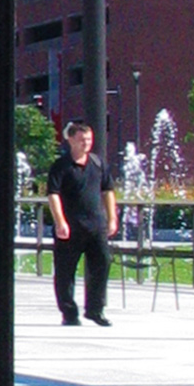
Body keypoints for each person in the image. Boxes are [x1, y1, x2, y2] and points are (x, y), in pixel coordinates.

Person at [46, 120, 117, 328]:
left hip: (96, 226)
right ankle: (69, 312)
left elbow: (108, 191)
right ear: (70, 140)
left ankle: (95, 310)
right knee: (65, 271)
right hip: (70, 227)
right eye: (81, 139)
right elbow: (53, 194)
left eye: (88, 139)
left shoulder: (98, 163)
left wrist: (112, 218)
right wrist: (60, 222)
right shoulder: (61, 166)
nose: (86, 143)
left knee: (102, 262)